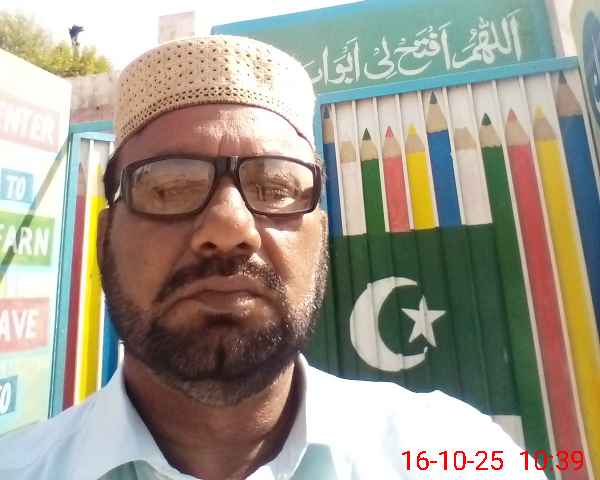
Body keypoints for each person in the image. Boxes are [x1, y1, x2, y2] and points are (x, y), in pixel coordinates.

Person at [1, 36, 536, 479]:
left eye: (277, 187)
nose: (229, 229)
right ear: (105, 239)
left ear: (320, 237)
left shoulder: (453, 453)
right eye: (168, 187)